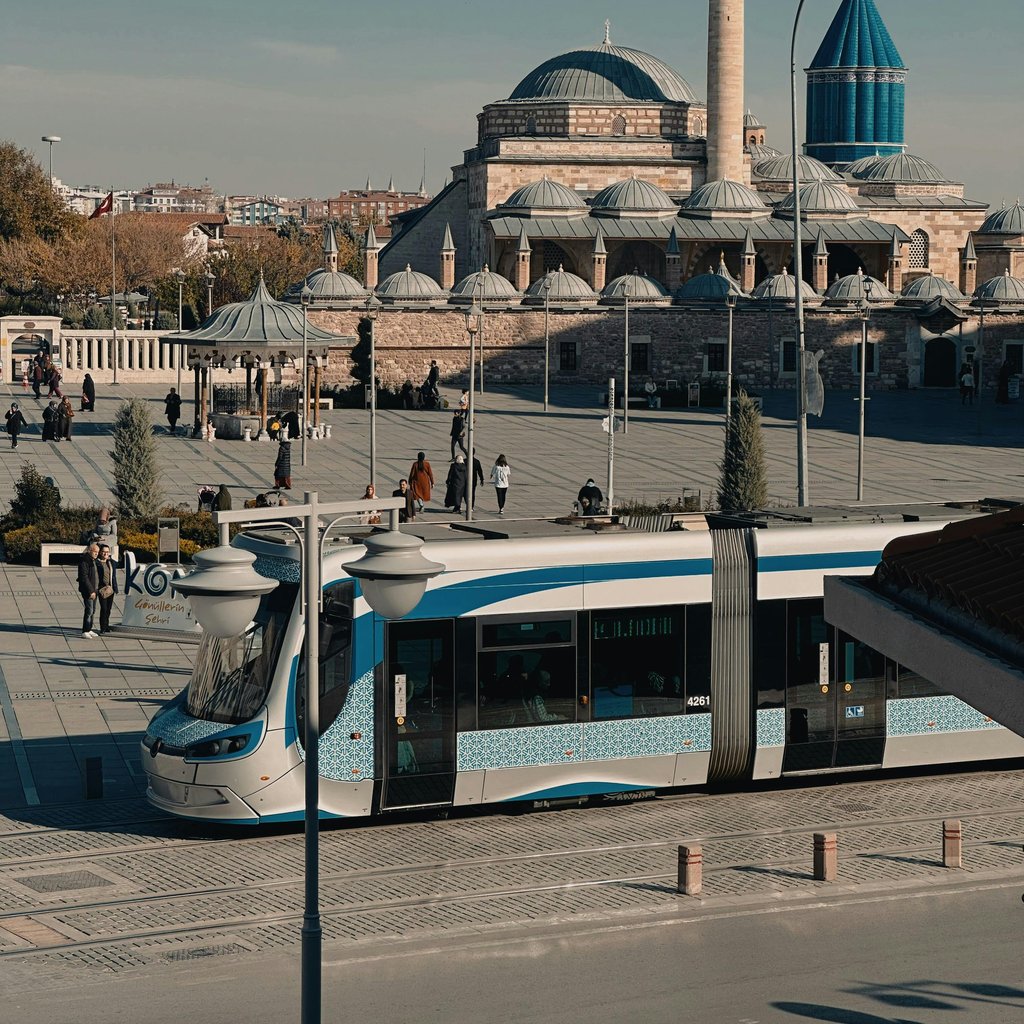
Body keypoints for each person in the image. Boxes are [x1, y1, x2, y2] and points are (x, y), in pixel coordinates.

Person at [77, 542, 100, 639]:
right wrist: (91, 591)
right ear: (90, 551)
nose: (96, 553)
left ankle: (89, 628)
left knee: (93, 610)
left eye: (98, 552)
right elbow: (84, 578)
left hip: (95, 589)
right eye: (95, 551)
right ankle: (85, 630)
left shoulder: (93, 560)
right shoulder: (85, 561)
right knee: (89, 610)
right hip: (88, 591)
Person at [95, 543, 118, 634]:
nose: (105, 554)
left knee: (108, 609)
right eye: (104, 552)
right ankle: (103, 627)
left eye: (107, 552)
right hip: (102, 589)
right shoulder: (97, 563)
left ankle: (107, 625)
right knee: (103, 608)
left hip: (110, 588)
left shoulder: (111, 562)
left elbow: (114, 573)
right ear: (100, 552)